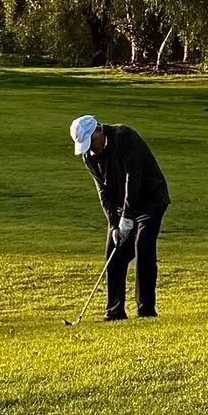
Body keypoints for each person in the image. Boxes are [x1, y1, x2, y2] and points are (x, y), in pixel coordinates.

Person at [70, 112, 169, 321]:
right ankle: (114, 312)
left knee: (144, 247)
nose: (90, 149)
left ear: (99, 130)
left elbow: (132, 180)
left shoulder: (125, 137)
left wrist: (128, 217)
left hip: (151, 200)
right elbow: (103, 191)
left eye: (90, 142)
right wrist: (114, 225)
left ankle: (146, 311)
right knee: (114, 253)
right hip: (120, 208)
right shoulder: (89, 157)